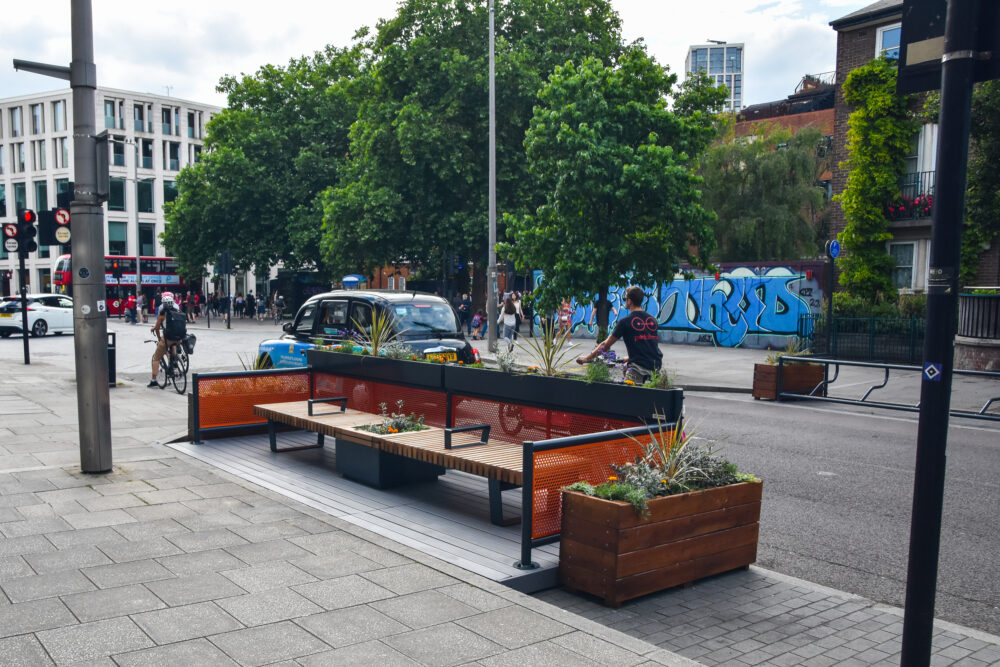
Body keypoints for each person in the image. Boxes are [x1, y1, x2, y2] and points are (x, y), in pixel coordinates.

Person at [576, 285, 662, 384]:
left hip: (638, 370)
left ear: (630, 301)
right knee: (652, 398)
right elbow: (648, 346)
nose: (625, 301)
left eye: (625, 299)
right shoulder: (652, 320)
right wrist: (630, 358)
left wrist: (587, 358)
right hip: (655, 367)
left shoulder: (625, 321)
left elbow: (605, 345)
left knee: (629, 397)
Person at [148, 292, 186, 388]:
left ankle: (153, 380)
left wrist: (159, 337)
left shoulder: (162, 315)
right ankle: (173, 362)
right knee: (172, 347)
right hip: (178, 338)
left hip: (167, 339)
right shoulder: (178, 312)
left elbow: (157, 328)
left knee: (156, 358)